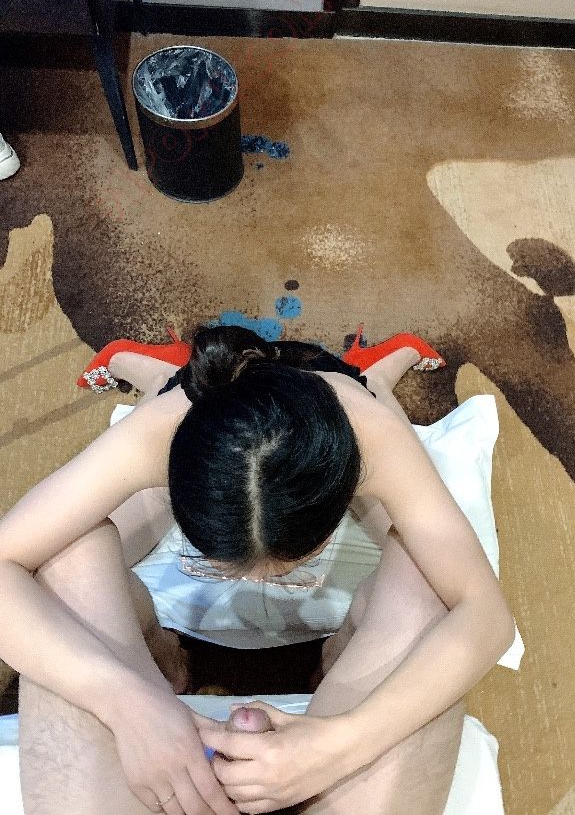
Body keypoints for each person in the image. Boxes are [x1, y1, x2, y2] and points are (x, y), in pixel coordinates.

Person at [0, 321, 515, 815]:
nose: (255, 583)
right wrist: (122, 700)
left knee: (429, 567)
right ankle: (161, 375)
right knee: (66, 547)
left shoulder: (371, 439)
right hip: (179, 415)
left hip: (346, 410)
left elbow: (485, 615)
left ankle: (372, 376)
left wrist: (343, 744)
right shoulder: (156, 434)